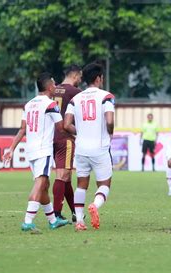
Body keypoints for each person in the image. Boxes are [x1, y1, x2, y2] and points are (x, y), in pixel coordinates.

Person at [3, 72, 70, 232]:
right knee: (40, 184)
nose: (56, 86)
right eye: (54, 84)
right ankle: (27, 220)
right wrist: (75, 131)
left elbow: (22, 129)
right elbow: (61, 127)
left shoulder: (29, 104)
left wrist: (11, 149)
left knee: (44, 186)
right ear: (48, 87)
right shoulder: (51, 104)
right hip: (43, 150)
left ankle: (53, 221)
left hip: (31, 151)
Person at [63, 62, 115, 231]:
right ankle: (95, 205)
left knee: (81, 185)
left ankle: (79, 221)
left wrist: (81, 131)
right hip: (100, 148)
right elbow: (109, 121)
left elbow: (66, 124)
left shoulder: (75, 99)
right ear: (99, 78)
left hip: (81, 148)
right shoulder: (106, 96)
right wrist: (110, 132)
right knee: (104, 184)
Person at [52, 64, 82, 222]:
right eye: (80, 77)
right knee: (62, 175)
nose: (80, 81)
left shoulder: (54, 89)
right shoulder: (75, 92)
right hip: (66, 137)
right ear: (76, 76)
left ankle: (75, 212)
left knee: (67, 177)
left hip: (52, 136)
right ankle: (55, 215)